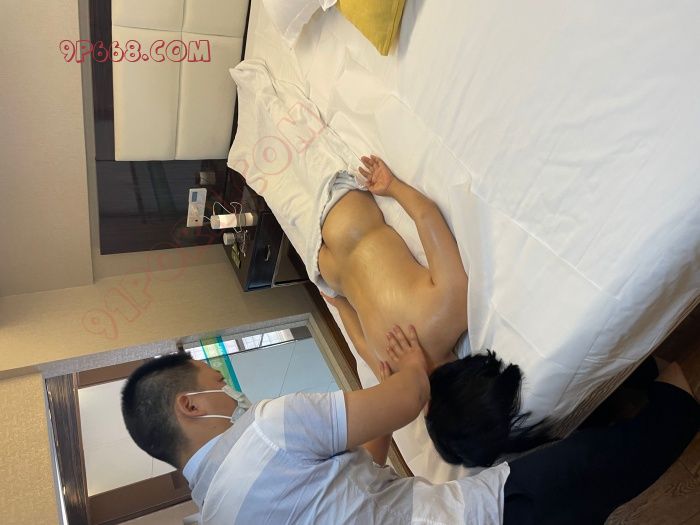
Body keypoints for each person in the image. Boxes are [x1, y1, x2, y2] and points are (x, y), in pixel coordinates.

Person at [121, 327, 699, 525]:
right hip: (481, 518)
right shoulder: (270, 430)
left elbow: (354, 491)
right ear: (190, 406)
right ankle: (678, 383)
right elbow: (414, 396)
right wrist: (406, 376)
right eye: (216, 381)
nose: (230, 390)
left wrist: (377, 409)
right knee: (614, 459)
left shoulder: (220, 515)